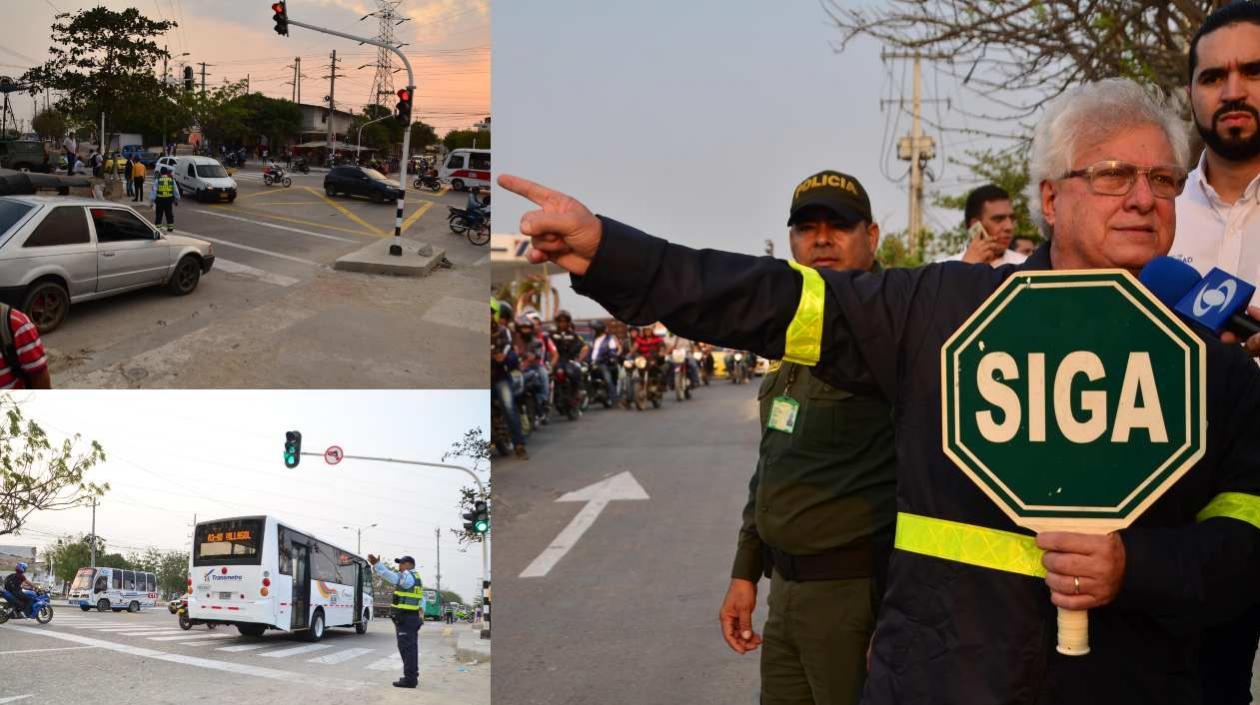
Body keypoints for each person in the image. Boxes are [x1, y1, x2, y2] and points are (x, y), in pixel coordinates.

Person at [500, 78, 1260, 705]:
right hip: (940, 680)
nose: (1143, 198)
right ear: (1053, 199)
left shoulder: (1213, 366)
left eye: (1163, 180)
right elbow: (773, 300)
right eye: (1113, 175)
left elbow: (1244, 546)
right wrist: (615, 255)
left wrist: (1134, 566)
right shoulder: (944, 313)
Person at [717, 170, 898, 705]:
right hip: (787, 594)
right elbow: (772, 464)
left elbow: (928, 486)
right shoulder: (795, 335)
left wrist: (898, 617)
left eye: (838, 226)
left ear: (871, 236)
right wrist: (746, 572)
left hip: (856, 600)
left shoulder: (895, 331)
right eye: (807, 228)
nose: (821, 240)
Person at [1167, 4, 1260, 703]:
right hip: (1187, 512)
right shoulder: (1151, 211)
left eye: (1253, 71)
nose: (1233, 91)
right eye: (1212, 76)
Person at [367, 553, 423, 689]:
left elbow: (392, 577)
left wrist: (377, 565)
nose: (399, 566)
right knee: (410, 648)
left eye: (401, 563)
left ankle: (410, 679)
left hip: (406, 619)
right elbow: (421, 600)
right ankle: (411, 676)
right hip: (410, 618)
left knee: (407, 649)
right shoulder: (415, 577)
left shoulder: (408, 576)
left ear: (408, 565)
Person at [945, 184, 1027, 266]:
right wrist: (966, 268)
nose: (1009, 227)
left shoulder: (1025, 266)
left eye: (1012, 218)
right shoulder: (944, 269)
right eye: (999, 219)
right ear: (975, 225)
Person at [492, 301, 528, 459]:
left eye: (490, 312)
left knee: (509, 407)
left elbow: (505, 352)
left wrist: (501, 357)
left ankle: (519, 445)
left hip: (500, 377)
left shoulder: (503, 331)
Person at [515, 316, 554, 416]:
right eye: (523, 328)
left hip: (535, 366)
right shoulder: (515, 341)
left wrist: (529, 357)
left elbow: (536, 355)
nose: (525, 330)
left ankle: (543, 401)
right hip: (518, 368)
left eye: (527, 328)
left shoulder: (537, 341)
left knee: (543, 374)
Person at [589, 320, 622, 406]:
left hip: (603, 363)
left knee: (608, 380)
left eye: (594, 329)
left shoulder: (609, 339)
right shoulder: (593, 339)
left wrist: (611, 357)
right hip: (592, 363)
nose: (593, 331)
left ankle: (615, 399)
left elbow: (613, 350)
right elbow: (588, 351)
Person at [150, 166, 180, 232]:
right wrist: (176, 200)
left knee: (159, 214)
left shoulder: (158, 180)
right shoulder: (171, 180)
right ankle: (170, 227)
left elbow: (154, 191)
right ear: (167, 172)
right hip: (168, 200)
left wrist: (152, 202)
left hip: (160, 200)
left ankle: (158, 228)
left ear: (161, 172)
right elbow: (176, 191)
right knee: (169, 214)